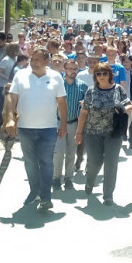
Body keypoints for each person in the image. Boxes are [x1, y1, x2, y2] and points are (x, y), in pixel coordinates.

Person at [4, 48, 68, 211]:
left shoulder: (56, 77)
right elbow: (12, 98)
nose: (33, 62)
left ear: (46, 61)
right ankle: (34, 191)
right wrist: (10, 119)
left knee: (46, 162)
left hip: (48, 128)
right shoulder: (21, 75)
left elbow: (61, 102)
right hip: (25, 128)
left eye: (37, 60)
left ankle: (46, 197)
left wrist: (64, 125)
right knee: (30, 162)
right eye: (32, 59)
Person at [74, 63, 132, 205]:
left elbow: (129, 104)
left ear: (110, 74)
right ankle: (90, 181)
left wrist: (123, 108)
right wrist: (79, 132)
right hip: (93, 132)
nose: (101, 76)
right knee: (95, 162)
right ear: (95, 76)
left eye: (104, 73)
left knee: (111, 164)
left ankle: (108, 195)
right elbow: (84, 112)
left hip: (113, 133)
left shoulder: (118, 89)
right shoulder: (91, 91)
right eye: (98, 74)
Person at [54, 60, 88, 191]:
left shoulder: (82, 86)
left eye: (75, 69)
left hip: (74, 122)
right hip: (58, 122)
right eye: (70, 68)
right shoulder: (58, 84)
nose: (73, 71)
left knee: (71, 152)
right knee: (58, 151)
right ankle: (56, 177)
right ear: (64, 69)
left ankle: (69, 178)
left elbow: (86, 103)